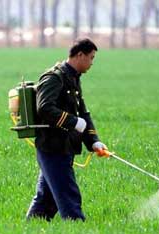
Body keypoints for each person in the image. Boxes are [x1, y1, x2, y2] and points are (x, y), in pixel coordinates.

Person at [26, 38, 108, 222]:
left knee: (46, 201)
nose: (92, 63)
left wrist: (94, 141)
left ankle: (30, 230)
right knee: (69, 197)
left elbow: (83, 114)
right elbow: (44, 107)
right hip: (52, 148)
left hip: (65, 147)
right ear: (80, 55)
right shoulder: (54, 78)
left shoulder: (72, 79)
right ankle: (78, 230)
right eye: (91, 58)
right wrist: (72, 122)